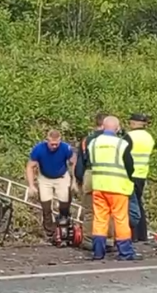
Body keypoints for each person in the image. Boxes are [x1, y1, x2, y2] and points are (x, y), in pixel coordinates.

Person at [86, 116, 141, 261]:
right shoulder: (121, 144)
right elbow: (129, 166)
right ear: (117, 128)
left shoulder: (93, 143)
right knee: (120, 219)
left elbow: (90, 162)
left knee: (99, 219)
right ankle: (125, 252)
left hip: (99, 186)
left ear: (103, 127)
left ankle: (98, 252)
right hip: (118, 187)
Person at [26, 129, 77, 241]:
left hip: (61, 177)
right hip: (45, 178)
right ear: (47, 141)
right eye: (52, 144)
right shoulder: (39, 149)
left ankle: (64, 226)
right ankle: (50, 232)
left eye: (56, 144)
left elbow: (74, 162)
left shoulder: (65, 148)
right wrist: (31, 185)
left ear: (60, 141)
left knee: (64, 204)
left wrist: (74, 181)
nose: (54, 146)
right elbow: (30, 166)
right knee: (46, 207)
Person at [74, 112, 106, 242]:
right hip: (108, 176)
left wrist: (79, 178)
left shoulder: (86, 140)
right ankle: (107, 239)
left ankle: (88, 239)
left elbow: (80, 162)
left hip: (90, 174)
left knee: (89, 210)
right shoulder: (114, 140)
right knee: (106, 210)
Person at [127, 113, 155, 242]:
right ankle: (142, 234)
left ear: (134, 123)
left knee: (131, 206)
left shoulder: (129, 137)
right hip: (142, 174)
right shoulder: (149, 137)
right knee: (138, 203)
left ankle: (133, 235)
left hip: (130, 174)